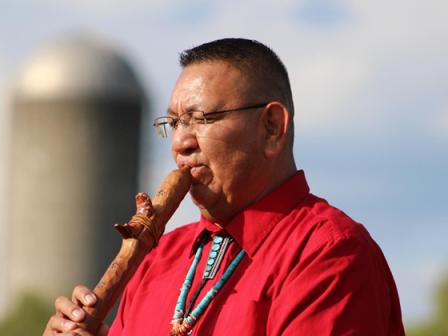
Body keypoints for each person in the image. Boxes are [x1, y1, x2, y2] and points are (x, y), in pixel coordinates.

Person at [43, 38, 405, 335]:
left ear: (272, 127)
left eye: (200, 118)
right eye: (172, 123)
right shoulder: (159, 257)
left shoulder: (328, 253)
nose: (181, 142)